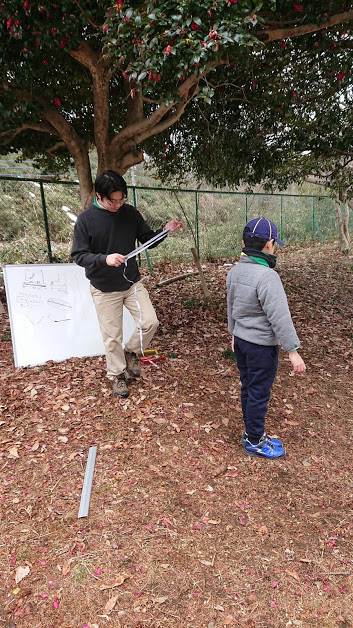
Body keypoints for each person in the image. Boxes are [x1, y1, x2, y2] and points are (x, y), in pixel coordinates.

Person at [71, 170, 182, 398]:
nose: (118, 204)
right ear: (99, 196)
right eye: (114, 200)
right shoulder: (86, 220)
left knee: (150, 322)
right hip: (104, 288)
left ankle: (132, 351)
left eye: (122, 199)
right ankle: (117, 375)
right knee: (112, 337)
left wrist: (165, 230)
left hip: (131, 282)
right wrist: (105, 259)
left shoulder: (129, 213)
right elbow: (79, 255)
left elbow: (147, 240)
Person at [226, 217, 306, 459]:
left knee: (248, 387)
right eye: (275, 243)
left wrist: (233, 333)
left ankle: (251, 432)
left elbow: (230, 307)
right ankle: (254, 440)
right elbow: (279, 316)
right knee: (259, 391)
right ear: (269, 244)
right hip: (261, 347)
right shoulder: (267, 276)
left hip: (242, 342)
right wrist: (292, 350)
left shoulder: (235, 270)